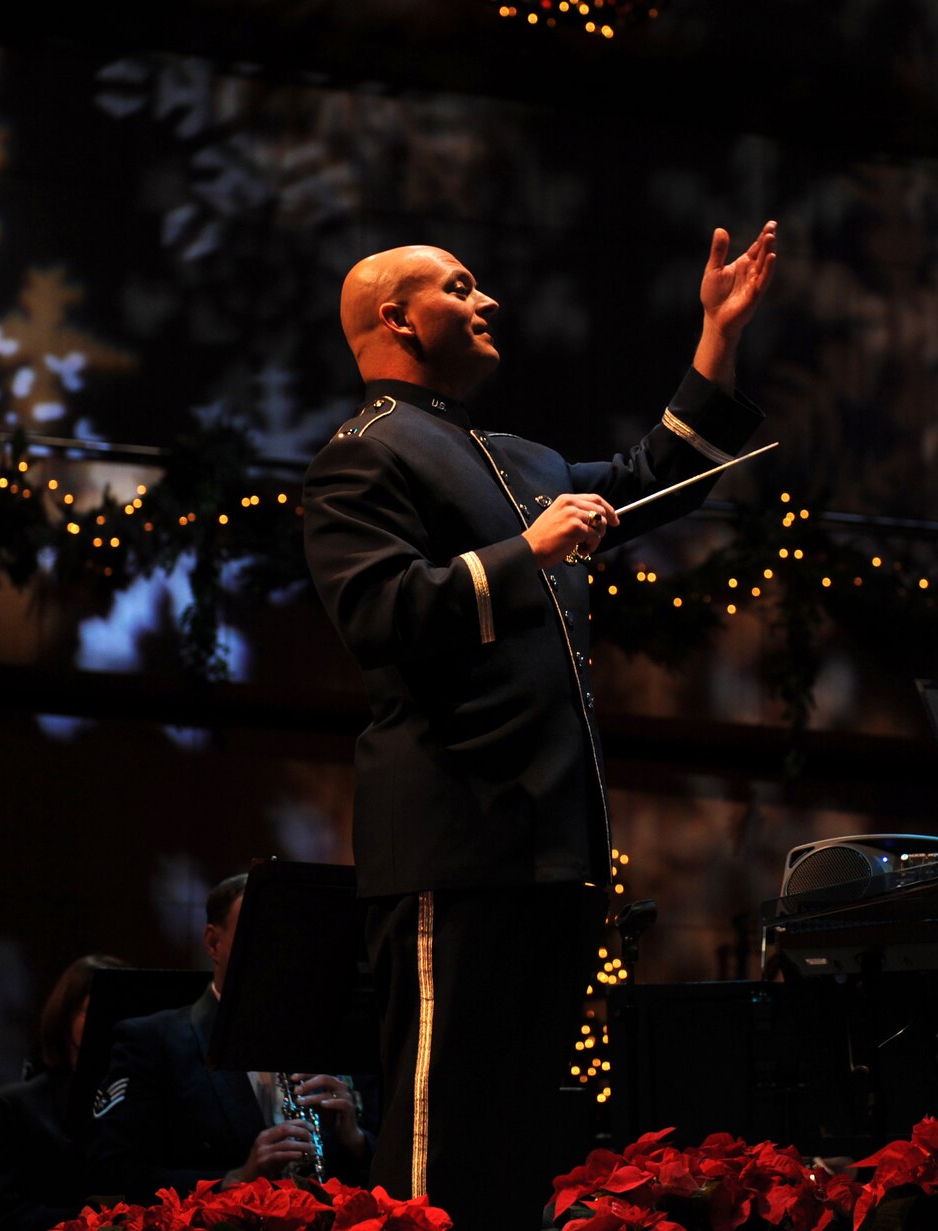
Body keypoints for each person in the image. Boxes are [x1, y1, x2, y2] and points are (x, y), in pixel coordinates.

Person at [302, 221, 779, 1227]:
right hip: (455, 845)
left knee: (521, 1134)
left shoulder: (515, 455)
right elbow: (380, 614)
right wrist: (528, 549)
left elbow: (652, 478)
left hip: (549, 852)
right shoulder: (364, 454)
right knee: (436, 1137)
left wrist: (715, 336)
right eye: (460, 287)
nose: (486, 304)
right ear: (396, 317)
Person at [87, 874, 373, 1200]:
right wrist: (234, 1180)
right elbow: (112, 1174)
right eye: (258, 932)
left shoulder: (332, 1040)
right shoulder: (151, 1042)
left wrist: (357, 1141)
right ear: (213, 943)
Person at [0, 953, 127, 1231]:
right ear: (65, 1017)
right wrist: (87, 1222)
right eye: (93, 1011)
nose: (108, 1023)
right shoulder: (15, 1107)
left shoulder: (143, 1102)